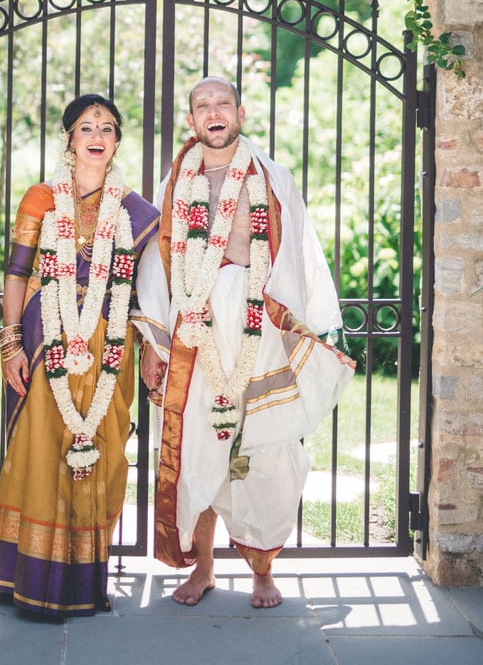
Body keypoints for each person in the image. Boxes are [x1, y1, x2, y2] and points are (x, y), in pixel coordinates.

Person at [133, 77, 355, 609]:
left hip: (259, 330)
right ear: (191, 120)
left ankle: (261, 571)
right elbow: (159, 268)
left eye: (223, 103)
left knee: (267, 453)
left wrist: (289, 323)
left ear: (241, 112)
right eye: (202, 105)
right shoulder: (176, 181)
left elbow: (297, 256)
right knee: (196, 448)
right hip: (194, 334)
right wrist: (153, 344)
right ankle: (204, 569)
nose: (214, 112)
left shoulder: (272, 179)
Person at [0, 94, 159, 617]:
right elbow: (17, 275)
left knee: (100, 455)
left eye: (107, 127)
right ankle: (29, 576)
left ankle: (84, 578)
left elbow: (150, 290)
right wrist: (11, 341)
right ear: (69, 139)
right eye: (87, 127)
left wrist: (150, 346)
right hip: (44, 337)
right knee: (41, 451)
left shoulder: (136, 209)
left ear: (116, 141)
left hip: (109, 342)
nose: (97, 136)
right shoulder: (41, 198)